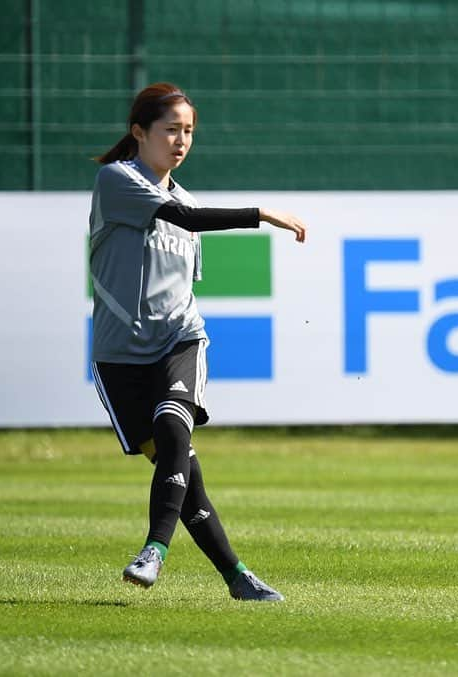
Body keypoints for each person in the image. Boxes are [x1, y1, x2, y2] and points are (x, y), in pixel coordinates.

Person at [88, 82, 305, 601]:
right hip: (120, 357)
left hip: (180, 340)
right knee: (184, 474)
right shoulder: (116, 180)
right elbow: (182, 219)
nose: (180, 140)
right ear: (139, 132)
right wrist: (260, 214)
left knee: (173, 427)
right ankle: (238, 577)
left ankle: (153, 550)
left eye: (188, 131)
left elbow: (180, 271)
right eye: (170, 130)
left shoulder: (184, 196)